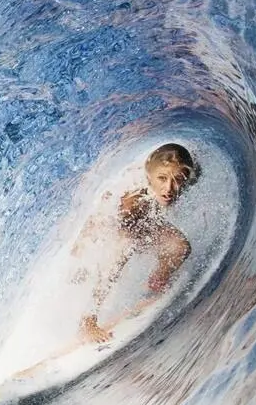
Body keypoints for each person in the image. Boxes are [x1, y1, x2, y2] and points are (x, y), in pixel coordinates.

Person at [70, 141, 198, 345]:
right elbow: (103, 221)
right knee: (123, 249)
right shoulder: (132, 198)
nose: (169, 188)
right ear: (150, 177)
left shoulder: (189, 173)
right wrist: (83, 254)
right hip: (106, 225)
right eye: (162, 179)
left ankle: (156, 283)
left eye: (178, 180)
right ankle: (87, 321)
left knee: (180, 247)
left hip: (142, 221)